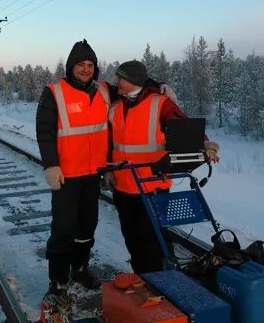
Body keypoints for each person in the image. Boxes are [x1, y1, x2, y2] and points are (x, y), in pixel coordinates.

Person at [36, 40, 176, 304]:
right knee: (63, 229)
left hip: (94, 174)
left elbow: (134, 85)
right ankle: (57, 282)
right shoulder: (54, 92)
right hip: (66, 175)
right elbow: (44, 132)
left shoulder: (103, 90)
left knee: (87, 227)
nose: (86, 69)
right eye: (81, 65)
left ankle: (79, 269)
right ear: (71, 67)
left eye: (91, 65)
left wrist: (160, 87)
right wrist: (50, 165)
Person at [103, 60, 219, 275]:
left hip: (153, 184)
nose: (116, 81)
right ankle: (142, 277)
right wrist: (109, 169)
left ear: (133, 81)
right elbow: (108, 142)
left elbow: (183, 127)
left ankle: (161, 279)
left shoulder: (160, 103)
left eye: (121, 78)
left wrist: (204, 143)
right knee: (131, 236)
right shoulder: (115, 106)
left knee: (154, 238)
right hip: (123, 185)